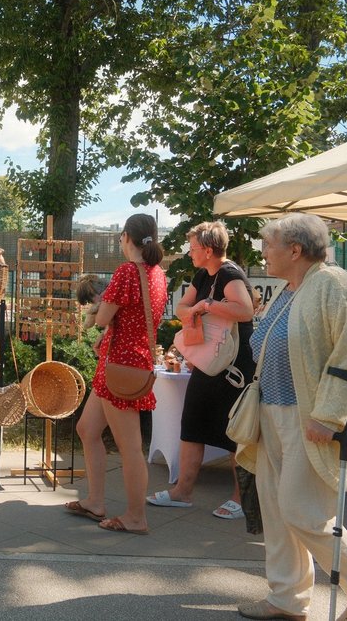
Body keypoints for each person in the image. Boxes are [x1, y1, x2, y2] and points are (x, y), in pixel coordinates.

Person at [236, 214, 347, 621]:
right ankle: (287, 599)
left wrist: (329, 414)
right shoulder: (289, 289)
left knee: (302, 511)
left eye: (268, 245)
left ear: (295, 249)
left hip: (309, 418)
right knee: (276, 509)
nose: (263, 252)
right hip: (271, 413)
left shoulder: (334, 284)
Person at [64, 214, 167, 535]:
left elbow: (104, 317)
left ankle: (136, 517)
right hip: (126, 363)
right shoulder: (157, 274)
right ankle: (95, 501)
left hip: (121, 368)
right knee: (87, 429)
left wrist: (96, 313)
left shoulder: (127, 271)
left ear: (125, 238)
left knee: (130, 447)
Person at [146, 222, 256, 519]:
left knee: (236, 432)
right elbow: (181, 308)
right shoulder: (202, 274)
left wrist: (207, 304)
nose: (189, 252)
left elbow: (245, 310)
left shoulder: (230, 275)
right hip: (208, 362)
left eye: (193, 248)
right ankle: (182, 492)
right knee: (192, 423)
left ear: (208, 250)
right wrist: (194, 309)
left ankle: (242, 499)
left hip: (234, 366)